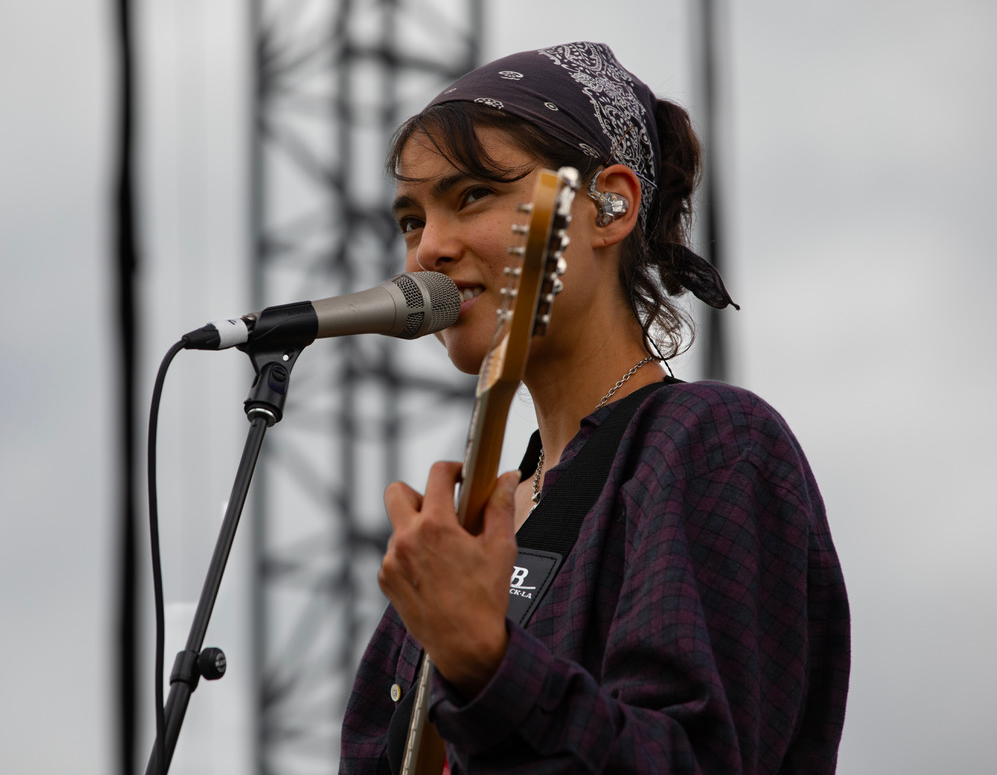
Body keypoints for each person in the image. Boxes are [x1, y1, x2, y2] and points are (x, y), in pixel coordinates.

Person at [339, 42, 850, 774]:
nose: (428, 251)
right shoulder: (455, 540)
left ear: (608, 206)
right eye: (411, 219)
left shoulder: (711, 444)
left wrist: (488, 664)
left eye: (472, 194)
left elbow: (692, 760)